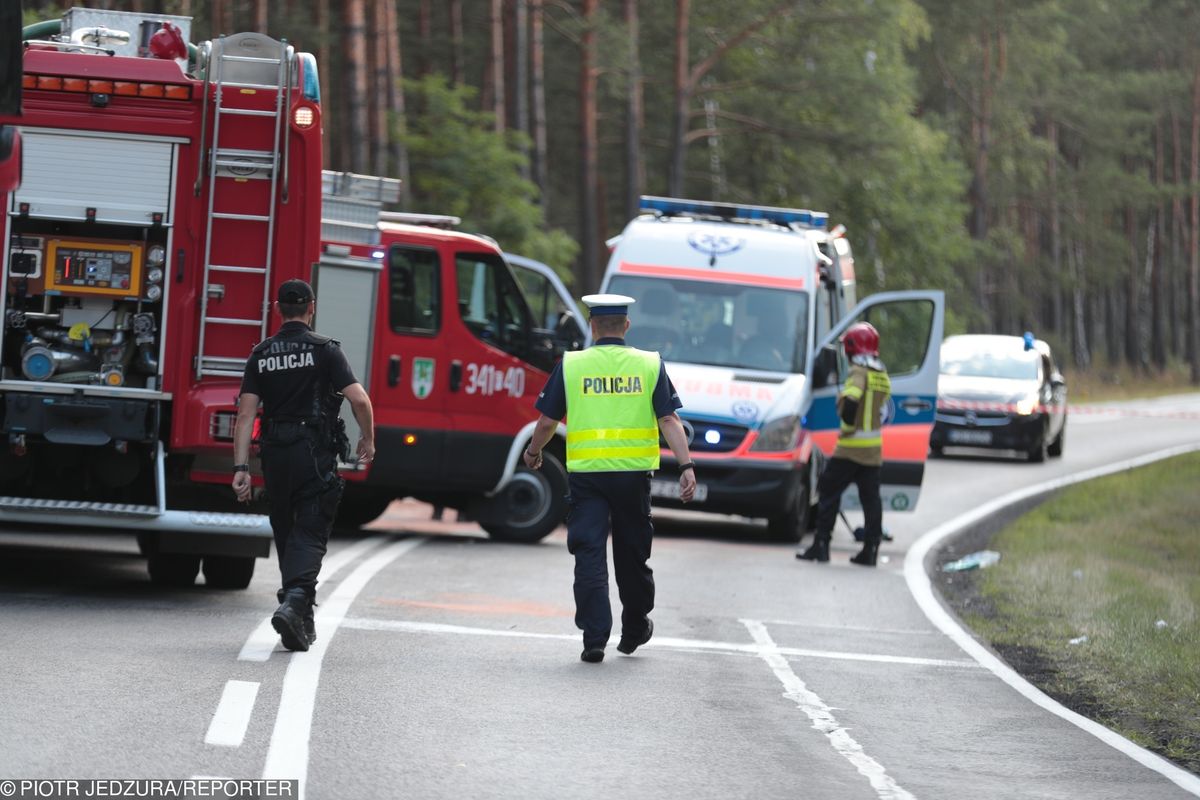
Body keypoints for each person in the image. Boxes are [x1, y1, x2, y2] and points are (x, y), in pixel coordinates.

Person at [523, 294, 696, 663]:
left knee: (589, 553)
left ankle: (594, 637)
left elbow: (547, 422)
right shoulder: (649, 364)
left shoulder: (572, 365)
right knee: (633, 554)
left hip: (587, 477)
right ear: (627, 326)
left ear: (592, 326)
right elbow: (669, 420)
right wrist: (686, 466)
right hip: (633, 477)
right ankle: (634, 627)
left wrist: (534, 451)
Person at [232, 279, 376, 652]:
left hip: (275, 454)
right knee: (310, 528)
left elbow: (245, 416)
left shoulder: (260, 354)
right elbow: (359, 399)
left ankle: (298, 618)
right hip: (314, 451)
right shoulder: (326, 350)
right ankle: (295, 600)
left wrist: (241, 468)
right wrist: (368, 438)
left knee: (285, 525)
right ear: (311, 307)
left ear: (278, 308)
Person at [797, 321, 891, 567]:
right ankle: (870, 550)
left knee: (828, 491)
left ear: (852, 348)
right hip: (873, 450)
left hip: (850, 448)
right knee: (871, 500)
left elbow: (851, 402)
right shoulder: (880, 373)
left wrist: (846, 412)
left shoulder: (858, 372)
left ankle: (821, 545)